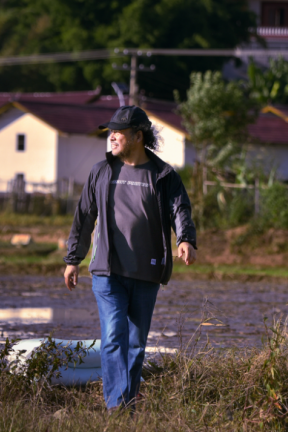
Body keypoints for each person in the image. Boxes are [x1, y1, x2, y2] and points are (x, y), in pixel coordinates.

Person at [63, 105, 197, 411]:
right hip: (107, 273)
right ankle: (117, 408)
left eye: (118, 132)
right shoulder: (102, 171)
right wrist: (73, 259)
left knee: (136, 347)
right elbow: (84, 217)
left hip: (147, 273)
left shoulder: (163, 175)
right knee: (113, 337)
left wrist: (186, 238)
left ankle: (128, 404)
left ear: (138, 136)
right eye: (110, 132)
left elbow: (180, 209)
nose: (111, 137)